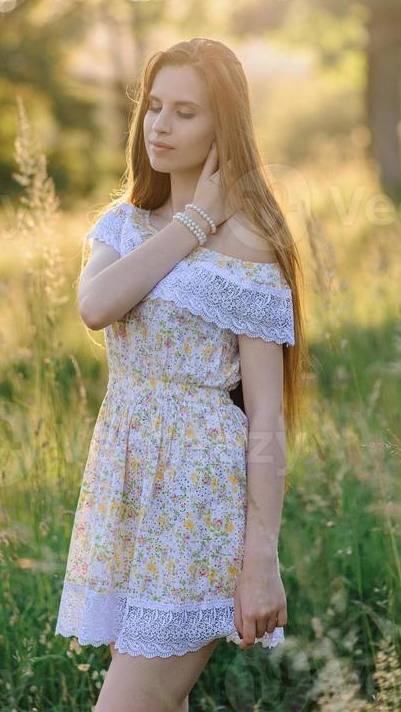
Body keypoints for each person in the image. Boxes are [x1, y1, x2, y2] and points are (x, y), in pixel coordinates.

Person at [55, 38, 306, 711]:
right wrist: (194, 220)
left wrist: (261, 558)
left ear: (225, 126)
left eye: (185, 112)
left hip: (199, 499)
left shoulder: (253, 245)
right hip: (125, 488)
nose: (160, 126)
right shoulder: (124, 224)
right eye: (154, 106)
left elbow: (267, 423)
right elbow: (96, 307)